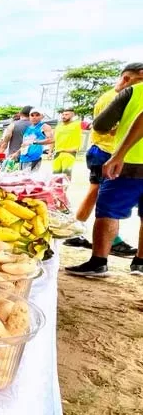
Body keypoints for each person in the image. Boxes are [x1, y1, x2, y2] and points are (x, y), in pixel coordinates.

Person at [67, 82, 143, 277]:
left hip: (132, 163)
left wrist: (119, 154)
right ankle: (140, 263)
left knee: (108, 209)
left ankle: (99, 261)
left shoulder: (133, 91)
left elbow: (100, 125)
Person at [0, 105, 32, 171]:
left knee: (11, 179)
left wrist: (1, 154)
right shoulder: (36, 126)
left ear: (20, 113)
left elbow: (5, 142)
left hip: (14, 158)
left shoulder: (13, 125)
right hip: (32, 158)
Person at [52, 107, 82, 177]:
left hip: (69, 153)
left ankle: (64, 188)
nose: (63, 116)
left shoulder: (78, 124)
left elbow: (91, 126)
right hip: (57, 153)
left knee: (66, 175)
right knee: (55, 175)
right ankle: (57, 188)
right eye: (63, 115)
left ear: (72, 115)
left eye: (66, 114)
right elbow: (53, 139)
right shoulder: (58, 126)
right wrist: (50, 151)